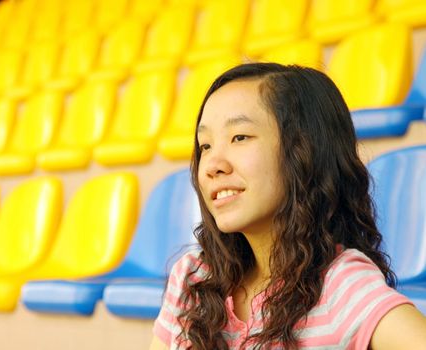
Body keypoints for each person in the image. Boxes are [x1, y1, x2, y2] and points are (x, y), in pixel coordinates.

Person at [149, 63, 426, 349]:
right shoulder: (191, 278)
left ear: (304, 152)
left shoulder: (340, 286)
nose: (212, 166)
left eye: (240, 137)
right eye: (205, 145)